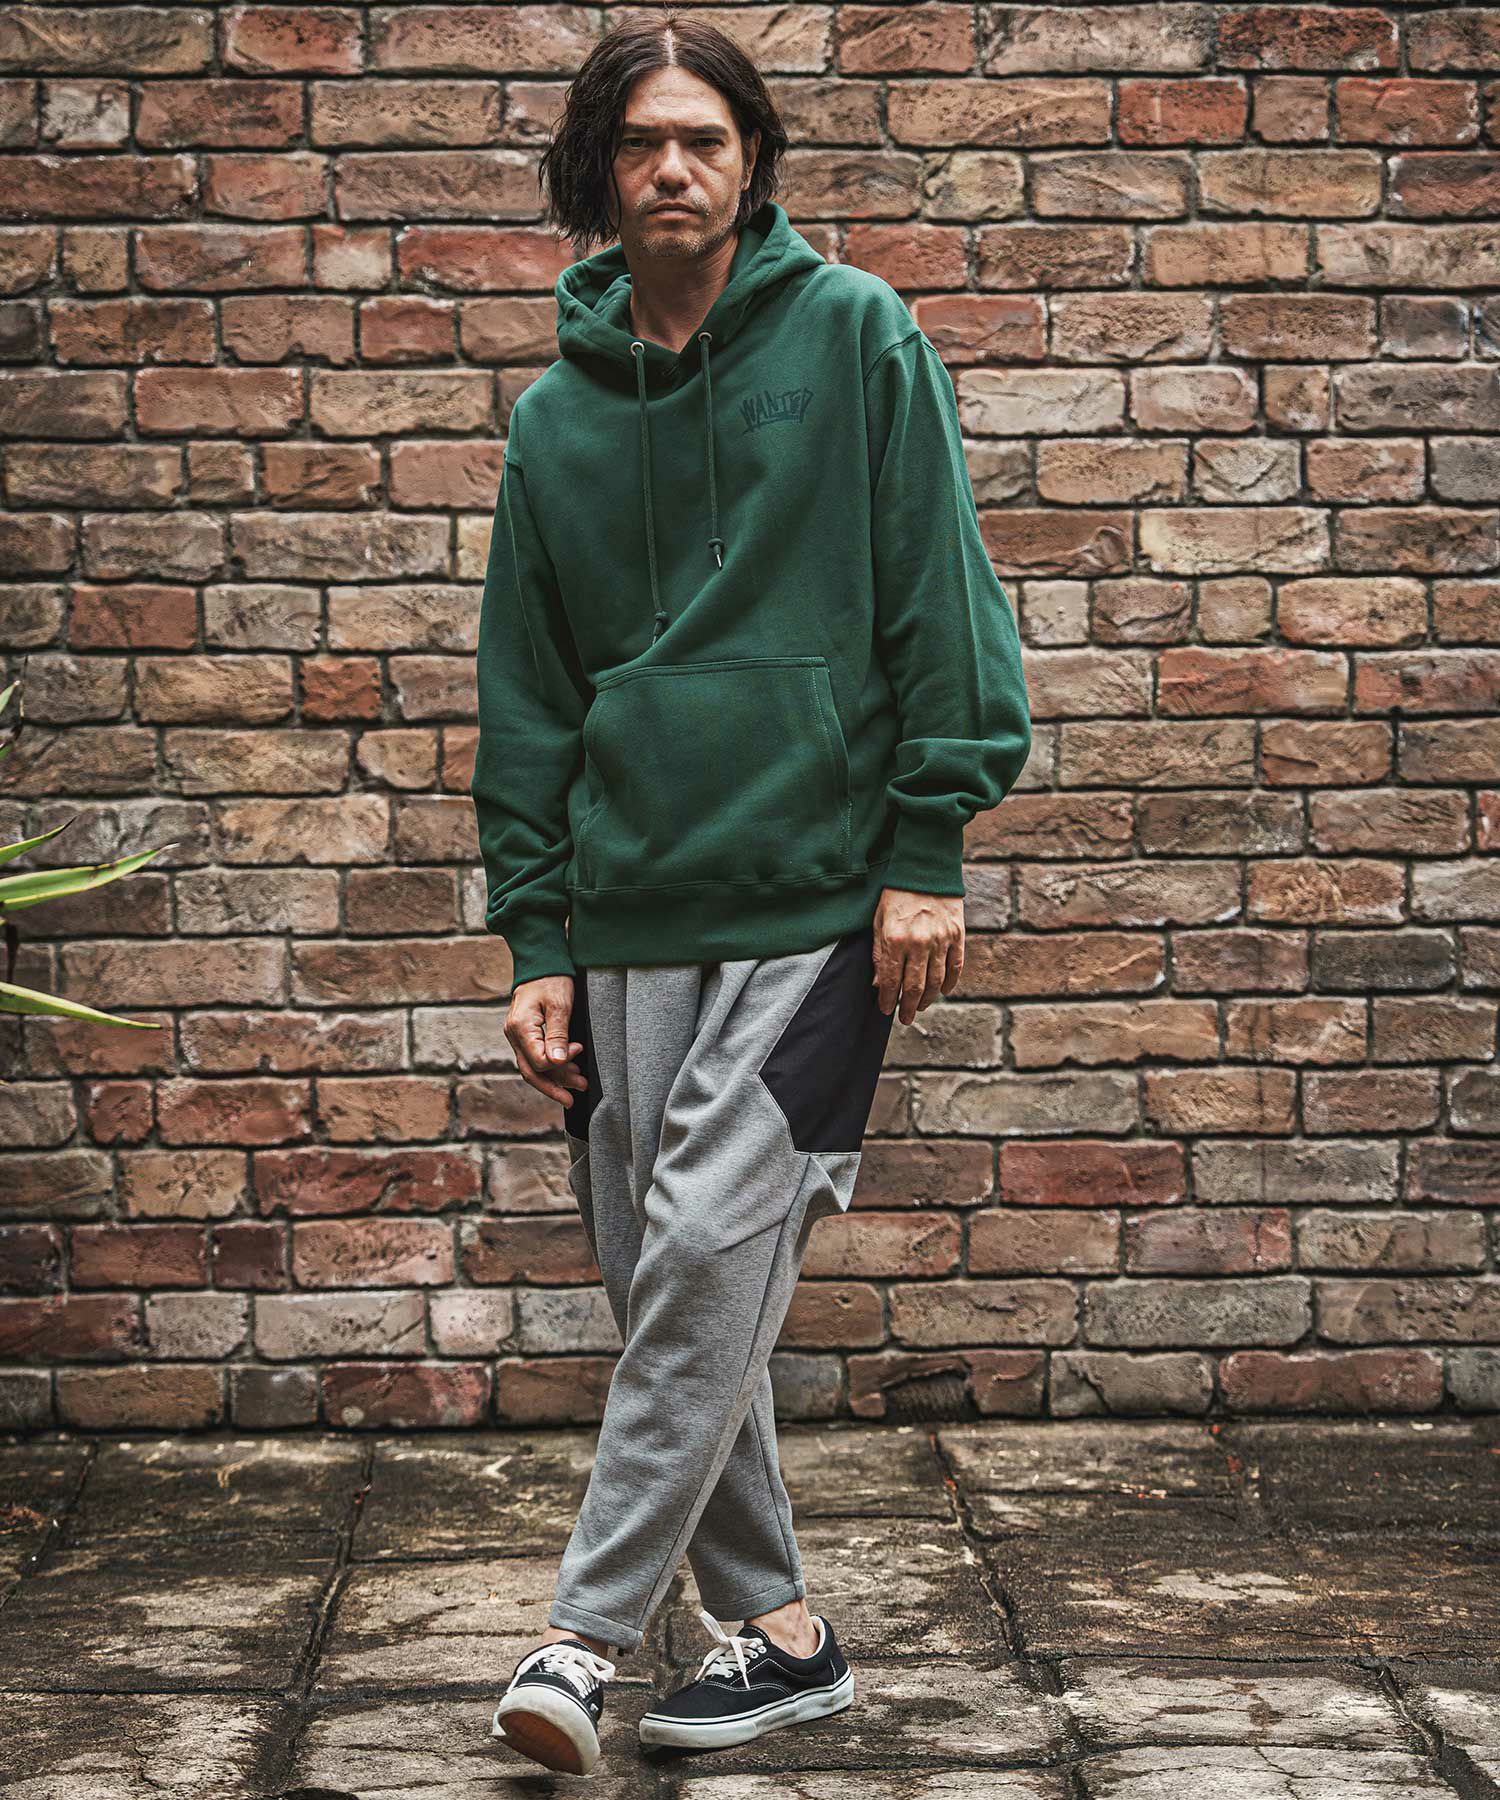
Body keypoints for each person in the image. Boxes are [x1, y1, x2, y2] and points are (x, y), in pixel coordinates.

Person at [469, 11, 1031, 1778]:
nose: (674, 169)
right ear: (598, 172)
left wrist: (927, 850)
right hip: (630, 910)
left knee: (710, 1246)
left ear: (753, 159)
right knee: (676, 1293)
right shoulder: (557, 421)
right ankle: (783, 1637)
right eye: (641, 141)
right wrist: (537, 937)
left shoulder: (855, 333)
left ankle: (581, 1637)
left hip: (817, 901)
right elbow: (528, 695)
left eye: (704, 138)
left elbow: (939, 593)